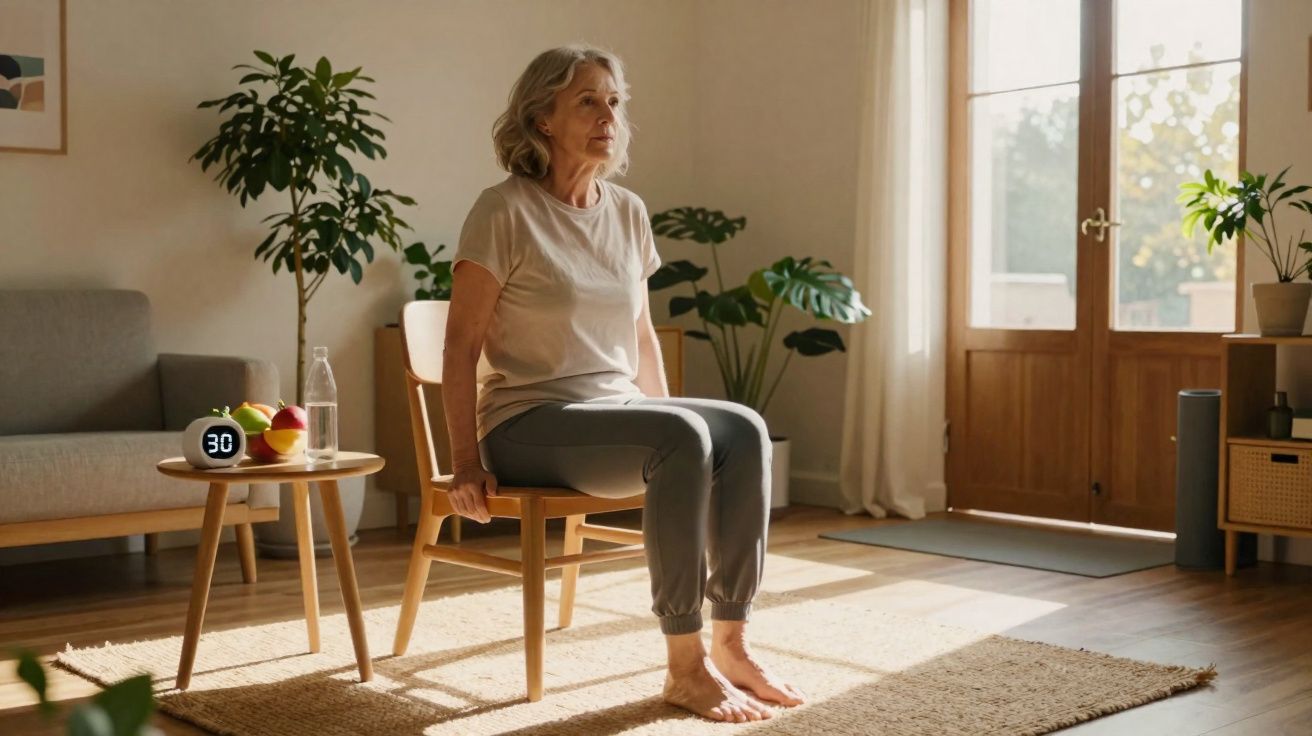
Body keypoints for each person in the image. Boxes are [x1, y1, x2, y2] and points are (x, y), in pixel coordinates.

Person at [444, 44, 806, 723]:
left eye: (614, 101)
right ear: (542, 118)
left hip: (613, 414)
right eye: (587, 100)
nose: (607, 115)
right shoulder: (503, 212)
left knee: (745, 429)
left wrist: (682, 433)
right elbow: (460, 346)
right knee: (679, 434)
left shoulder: (628, 212)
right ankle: (683, 664)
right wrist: (464, 461)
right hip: (527, 423)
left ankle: (732, 641)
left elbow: (641, 336)